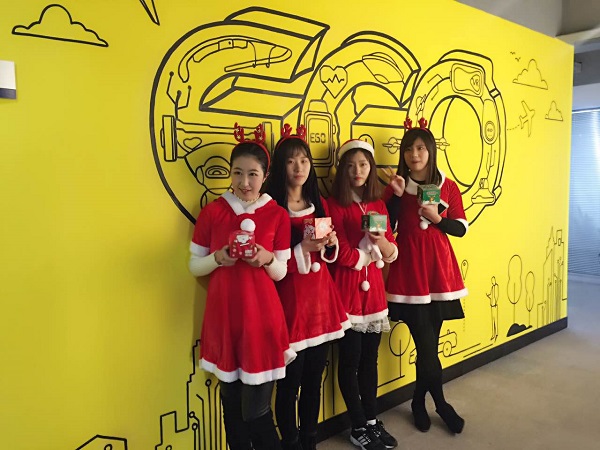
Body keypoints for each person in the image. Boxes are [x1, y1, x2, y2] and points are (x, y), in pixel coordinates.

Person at [188, 123, 295, 450]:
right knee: (231, 410)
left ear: (265, 176)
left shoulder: (277, 215)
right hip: (224, 318)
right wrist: (218, 258)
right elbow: (194, 266)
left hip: (262, 320)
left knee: (256, 414)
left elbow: (281, 273)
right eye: (237, 173)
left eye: (252, 174)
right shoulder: (212, 212)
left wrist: (266, 258)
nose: (244, 182)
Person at [264, 124, 351, 450]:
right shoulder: (272, 208)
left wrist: (330, 245)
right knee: (289, 383)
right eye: (291, 161)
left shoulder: (319, 202)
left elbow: (328, 257)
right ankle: (290, 442)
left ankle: (310, 440)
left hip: (321, 301)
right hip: (290, 302)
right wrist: (303, 249)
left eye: (304, 160)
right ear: (281, 167)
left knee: (315, 379)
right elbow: (272, 264)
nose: (299, 167)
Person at [384, 117, 468, 435]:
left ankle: (419, 402)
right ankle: (442, 406)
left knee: (429, 346)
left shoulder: (448, 186)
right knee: (427, 345)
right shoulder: (397, 187)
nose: (414, 154)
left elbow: (461, 228)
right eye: (408, 149)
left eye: (420, 148)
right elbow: (387, 227)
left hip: (439, 272)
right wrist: (394, 196)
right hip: (410, 274)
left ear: (431, 151)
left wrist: (437, 219)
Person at [328, 139, 399, 450]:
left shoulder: (378, 205)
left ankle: (371, 420)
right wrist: (369, 253)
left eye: (363, 165)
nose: (357, 171)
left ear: (371, 168)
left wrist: (380, 241)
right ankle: (357, 426)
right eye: (350, 165)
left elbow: (392, 250)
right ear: (342, 170)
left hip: (374, 296)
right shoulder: (331, 205)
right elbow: (342, 255)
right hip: (346, 293)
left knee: (370, 360)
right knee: (350, 360)